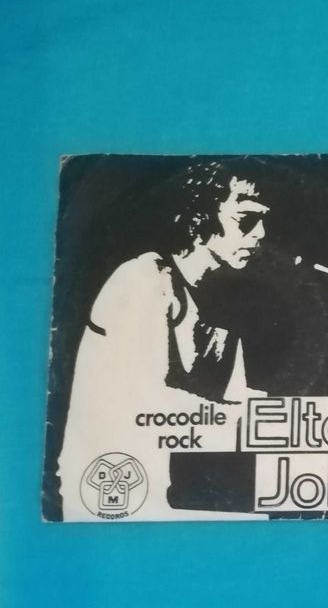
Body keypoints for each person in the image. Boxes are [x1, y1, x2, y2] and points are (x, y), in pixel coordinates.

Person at [58, 161, 270, 520]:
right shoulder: (143, 278)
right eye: (246, 219)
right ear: (200, 218)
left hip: (177, 493)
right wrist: (265, 420)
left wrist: (294, 418)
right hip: (111, 495)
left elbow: (235, 404)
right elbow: (148, 405)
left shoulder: (226, 307)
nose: (261, 233)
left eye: (263, 220)